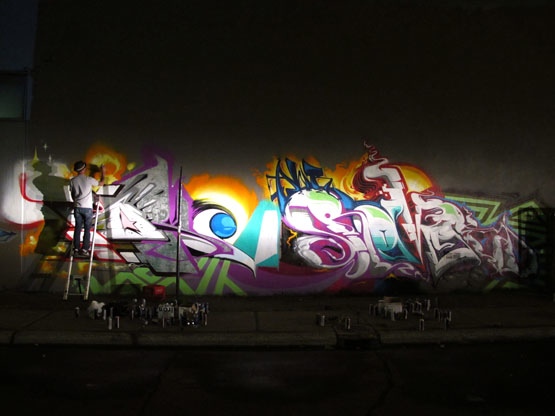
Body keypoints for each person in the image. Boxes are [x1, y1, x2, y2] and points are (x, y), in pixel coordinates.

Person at [69, 160, 105, 256]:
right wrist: (103, 172)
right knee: (87, 229)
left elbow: (72, 195)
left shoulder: (72, 181)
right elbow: (101, 183)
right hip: (87, 208)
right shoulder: (88, 179)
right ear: (84, 169)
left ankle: (76, 249)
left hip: (77, 207)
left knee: (77, 228)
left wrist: (77, 201)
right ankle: (84, 249)